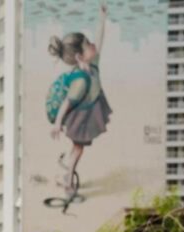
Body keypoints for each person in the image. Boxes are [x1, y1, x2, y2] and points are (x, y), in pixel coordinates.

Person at [49, 2, 112, 191]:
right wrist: (57, 122)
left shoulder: (93, 63)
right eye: (88, 45)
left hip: (91, 110)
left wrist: (102, 18)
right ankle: (67, 177)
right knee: (78, 147)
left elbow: (100, 39)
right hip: (82, 117)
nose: (93, 45)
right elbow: (68, 102)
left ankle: (67, 174)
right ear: (79, 56)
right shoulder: (80, 79)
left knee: (78, 148)